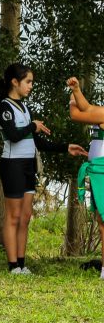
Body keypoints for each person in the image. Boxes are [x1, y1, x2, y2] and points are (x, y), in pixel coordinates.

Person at [0, 64, 87, 275]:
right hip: (12, 165)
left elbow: (36, 141)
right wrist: (32, 126)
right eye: (28, 82)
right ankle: (12, 266)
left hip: (28, 165)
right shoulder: (4, 107)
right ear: (15, 82)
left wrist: (66, 147)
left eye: (32, 82)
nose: (31, 86)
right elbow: (13, 136)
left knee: (25, 217)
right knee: (13, 216)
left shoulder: (25, 108)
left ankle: (22, 264)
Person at [67, 77, 104, 277]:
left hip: (102, 172)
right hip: (99, 171)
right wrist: (76, 90)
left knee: (103, 222)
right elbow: (87, 107)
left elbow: (78, 113)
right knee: (101, 221)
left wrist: (72, 100)